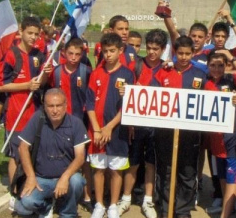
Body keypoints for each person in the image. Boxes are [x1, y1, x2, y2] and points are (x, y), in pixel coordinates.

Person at [12, 88, 90, 218]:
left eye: (59, 105)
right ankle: (47, 206)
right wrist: (31, 177)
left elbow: (80, 157)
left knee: (77, 181)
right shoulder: (38, 119)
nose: (55, 110)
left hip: (66, 177)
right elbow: (23, 147)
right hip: (41, 178)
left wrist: (65, 177)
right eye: (50, 106)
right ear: (45, 107)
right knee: (25, 205)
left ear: (65, 105)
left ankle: (68, 213)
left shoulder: (76, 123)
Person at [152, 36, 207, 218]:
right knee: (166, 172)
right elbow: (151, 96)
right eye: (180, 53)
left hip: (190, 135)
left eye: (187, 53)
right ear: (175, 53)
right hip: (165, 133)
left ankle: (183, 211)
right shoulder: (163, 72)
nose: (183, 57)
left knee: (187, 173)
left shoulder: (200, 75)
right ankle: (166, 208)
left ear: (193, 53)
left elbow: (211, 99)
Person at [117, 29, 168, 218]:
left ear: (163, 49)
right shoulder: (135, 65)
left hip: (156, 127)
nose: (152, 52)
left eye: (157, 49)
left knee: (150, 164)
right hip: (136, 125)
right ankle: (126, 198)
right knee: (133, 162)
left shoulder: (167, 68)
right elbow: (126, 92)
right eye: (150, 48)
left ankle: (148, 200)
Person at [0, 17, 52, 185]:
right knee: (15, 153)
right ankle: (13, 189)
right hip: (16, 111)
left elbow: (41, 83)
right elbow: (0, 86)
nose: (33, 37)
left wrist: (46, 74)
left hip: (34, 111)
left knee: (32, 151)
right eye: (30, 33)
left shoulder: (39, 55)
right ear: (21, 32)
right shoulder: (11, 54)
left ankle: (28, 183)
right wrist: (26, 85)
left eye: (36, 34)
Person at [87, 33, 135, 218]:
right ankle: (99, 204)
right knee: (98, 169)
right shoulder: (96, 73)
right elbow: (90, 104)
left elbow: (129, 106)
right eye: (105, 51)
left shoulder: (127, 74)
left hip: (118, 131)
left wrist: (110, 127)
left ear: (120, 51)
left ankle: (113, 205)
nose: (108, 55)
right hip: (97, 131)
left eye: (112, 51)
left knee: (116, 170)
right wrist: (98, 128)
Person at [204, 49, 236, 218]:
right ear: (207, 66)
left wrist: (233, 58)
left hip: (235, 139)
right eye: (212, 65)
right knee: (223, 177)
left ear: (226, 66)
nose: (216, 69)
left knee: (233, 178)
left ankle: (225, 214)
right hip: (216, 141)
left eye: (220, 65)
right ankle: (228, 206)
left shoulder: (233, 79)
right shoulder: (204, 82)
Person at [48, 38, 93, 211]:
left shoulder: (87, 71)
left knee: (85, 160)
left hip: (81, 122)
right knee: (60, 158)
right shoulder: (56, 72)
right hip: (60, 123)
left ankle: (87, 196)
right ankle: (58, 195)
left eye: (77, 54)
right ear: (64, 53)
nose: (74, 57)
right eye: (70, 53)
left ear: (82, 54)